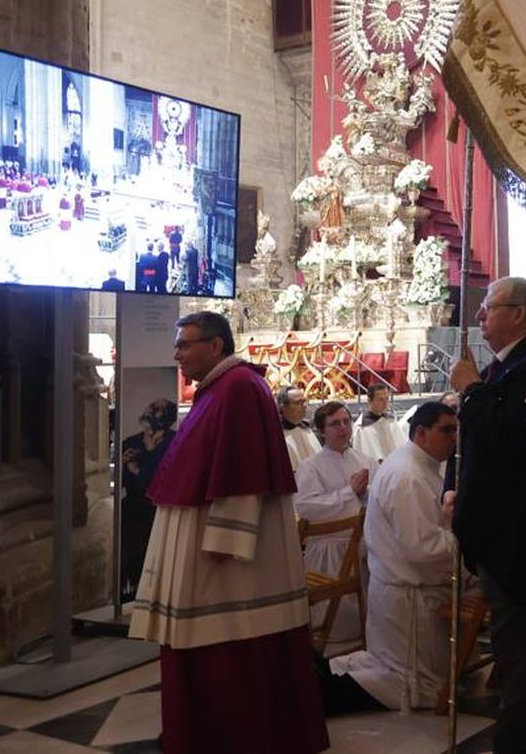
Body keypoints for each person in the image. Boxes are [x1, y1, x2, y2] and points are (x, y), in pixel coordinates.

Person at [129, 311, 328, 754]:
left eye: (185, 344)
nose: (177, 354)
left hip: (224, 561)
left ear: (215, 346)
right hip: (208, 549)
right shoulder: (220, 388)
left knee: (227, 650)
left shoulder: (238, 388)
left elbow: (242, 468)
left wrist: (226, 540)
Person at [447, 276, 526, 752]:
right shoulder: (500, 368)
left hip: (517, 543)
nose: (479, 317)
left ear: (518, 315)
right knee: (511, 662)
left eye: (488, 308)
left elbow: (513, 439)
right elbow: (471, 442)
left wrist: (470, 392)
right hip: (494, 541)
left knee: (521, 668)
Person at [327, 402, 464, 712]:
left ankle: (321, 681)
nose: (453, 437)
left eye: (456, 430)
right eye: (446, 430)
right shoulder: (409, 475)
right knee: (407, 686)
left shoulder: (420, 465)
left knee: (397, 673)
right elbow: (420, 547)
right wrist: (464, 539)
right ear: (421, 432)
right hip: (407, 598)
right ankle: (319, 693)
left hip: (403, 593)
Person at [294, 401, 374, 647]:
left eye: (346, 422)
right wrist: (349, 493)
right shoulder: (311, 466)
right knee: (336, 631)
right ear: (320, 430)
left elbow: (379, 501)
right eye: (334, 424)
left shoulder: (365, 460)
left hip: (364, 548)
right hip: (329, 550)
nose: (343, 428)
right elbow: (307, 508)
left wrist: (364, 494)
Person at [119, 398, 177, 601]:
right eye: (151, 405)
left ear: (168, 417)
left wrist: (137, 468)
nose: (151, 409)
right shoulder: (130, 443)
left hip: (161, 511)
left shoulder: (175, 442)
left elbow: (163, 479)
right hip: (134, 511)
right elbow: (125, 482)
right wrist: (133, 472)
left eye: (158, 409)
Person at [354, 382, 406, 466]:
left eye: (387, 398)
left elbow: (403, 447)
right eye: (381, 399)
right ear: (369, 401)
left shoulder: (391, 421)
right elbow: (364, 455)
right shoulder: (362, 427)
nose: (385, 403)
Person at [278, 386, 318, 470]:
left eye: (304, 401)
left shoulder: (307, 429)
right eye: (297, 403)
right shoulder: (278, 435)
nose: (304, 405)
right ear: (283, 407)